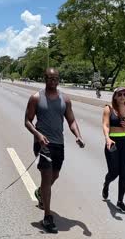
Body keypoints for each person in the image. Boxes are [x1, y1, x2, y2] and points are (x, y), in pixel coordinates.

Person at [24, 67, 85, 233]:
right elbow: (28, 121)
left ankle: (40, 192)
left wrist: (77, 135)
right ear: (45, 79)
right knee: (47, 176)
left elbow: (71, 120)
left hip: (59, 144)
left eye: (55, 78)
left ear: (59, 80)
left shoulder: (65, 100)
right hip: (42, 144)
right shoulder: (36, 98)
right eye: (50, 78)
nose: (53, 81)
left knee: (55, 175)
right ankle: (47, 216)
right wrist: (37, 134)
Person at [101, 87, 125, 212]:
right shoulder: (109, 108)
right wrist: (107, 139)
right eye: (120, 94)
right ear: (115, 96)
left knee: (124, 173)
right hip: (112, 143)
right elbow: (105, 125)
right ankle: (106, 184)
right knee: (114, 172)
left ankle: (120, 201)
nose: (123, 96)